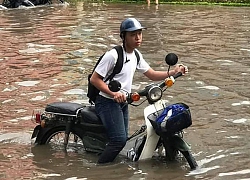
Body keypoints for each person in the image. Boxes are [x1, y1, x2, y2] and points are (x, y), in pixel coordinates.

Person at [90, 18, 188, 164]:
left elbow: (152, 74)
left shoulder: (136, 55)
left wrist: (173, 72)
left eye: (140, 33)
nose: (138, 38)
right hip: (107, 101)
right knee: (119, 140)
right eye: (133, 34)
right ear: (123, 36)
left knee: (123, 138)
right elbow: (94, 79)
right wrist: (113, 93)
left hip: (123, 101)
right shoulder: (113, 55)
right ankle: (99, 170)